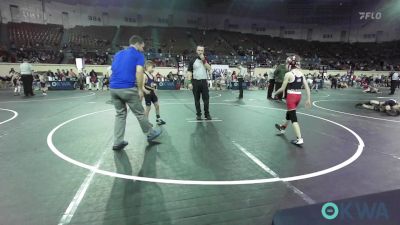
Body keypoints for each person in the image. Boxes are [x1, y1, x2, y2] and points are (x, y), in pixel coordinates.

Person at [110, 35, 162, 150]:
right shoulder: (138, 55)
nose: (143, 49)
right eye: (143, 46)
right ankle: (150, 133)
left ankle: (118, 141)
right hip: (127, 88)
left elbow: (112, 69)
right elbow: (139, 71)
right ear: (138, 44)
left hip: (113, 88)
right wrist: (139, 89)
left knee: (120, 114)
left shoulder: (118, 54)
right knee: (139, 112)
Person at [273, 55, 311, 145]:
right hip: (298, 96)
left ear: (290, 64)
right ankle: (283, 127)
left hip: (291, 97)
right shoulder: (301, 74)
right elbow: (307, 88)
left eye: (287, 64)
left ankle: (299, 138)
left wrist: (274, 93)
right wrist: (308, 99)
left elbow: (282, 88)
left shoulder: (288, 74)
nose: (286, 65)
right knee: (290, 112)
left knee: (293, 118)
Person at [187, 45, 212, 120]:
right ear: (196, 51)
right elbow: (189, 72)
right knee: (196, 99)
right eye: (199, 50)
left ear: (203, 51)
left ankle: (207, 114)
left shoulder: (206, 59)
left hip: (204, 82)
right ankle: (198, 114)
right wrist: (189, 82)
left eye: (201, 50)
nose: (200, 52)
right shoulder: (192, 60)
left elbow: (209, 68)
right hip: (195, 82)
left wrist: (203, 60)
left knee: (206, 100)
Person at [143, 60, 166, 125]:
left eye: (153, 68)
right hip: (147, 93)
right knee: (148, 108)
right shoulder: (144, 75)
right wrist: (145, 91)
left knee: (157, 105)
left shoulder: (152, 76)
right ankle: (146, 122)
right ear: (147, 67)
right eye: (152, 67)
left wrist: (155, 92)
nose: (153, 69)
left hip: (152, 93)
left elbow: (152, 85)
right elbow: (141, 86)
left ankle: (158, 119)